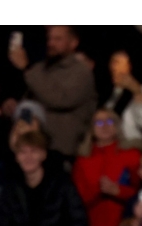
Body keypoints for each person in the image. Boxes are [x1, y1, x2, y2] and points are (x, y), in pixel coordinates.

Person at [9, 26, 97, 158]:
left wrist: (26, 68)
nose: (51, 43)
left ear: (73, 43)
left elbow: (60, 99)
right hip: (32, 148)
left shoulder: (81, 72)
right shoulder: (39, 68)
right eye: (49, 39)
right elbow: (30, 102)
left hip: (60, 150)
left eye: (58, 39)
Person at [72, 109, 142, 226]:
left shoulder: (132, 155)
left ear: (117, 126)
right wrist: (98, 191)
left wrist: (118, 191)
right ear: (91, 128)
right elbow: (76, 199)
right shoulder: (82, 160)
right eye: (99, 122)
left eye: (109, 121)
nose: (104, 125)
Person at [100, 50, 142, 151]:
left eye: (124, 63)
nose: (117, 68)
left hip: (129, 148)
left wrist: (137, 92)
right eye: (114, 62)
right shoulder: (103, 90)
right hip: (104, 148)